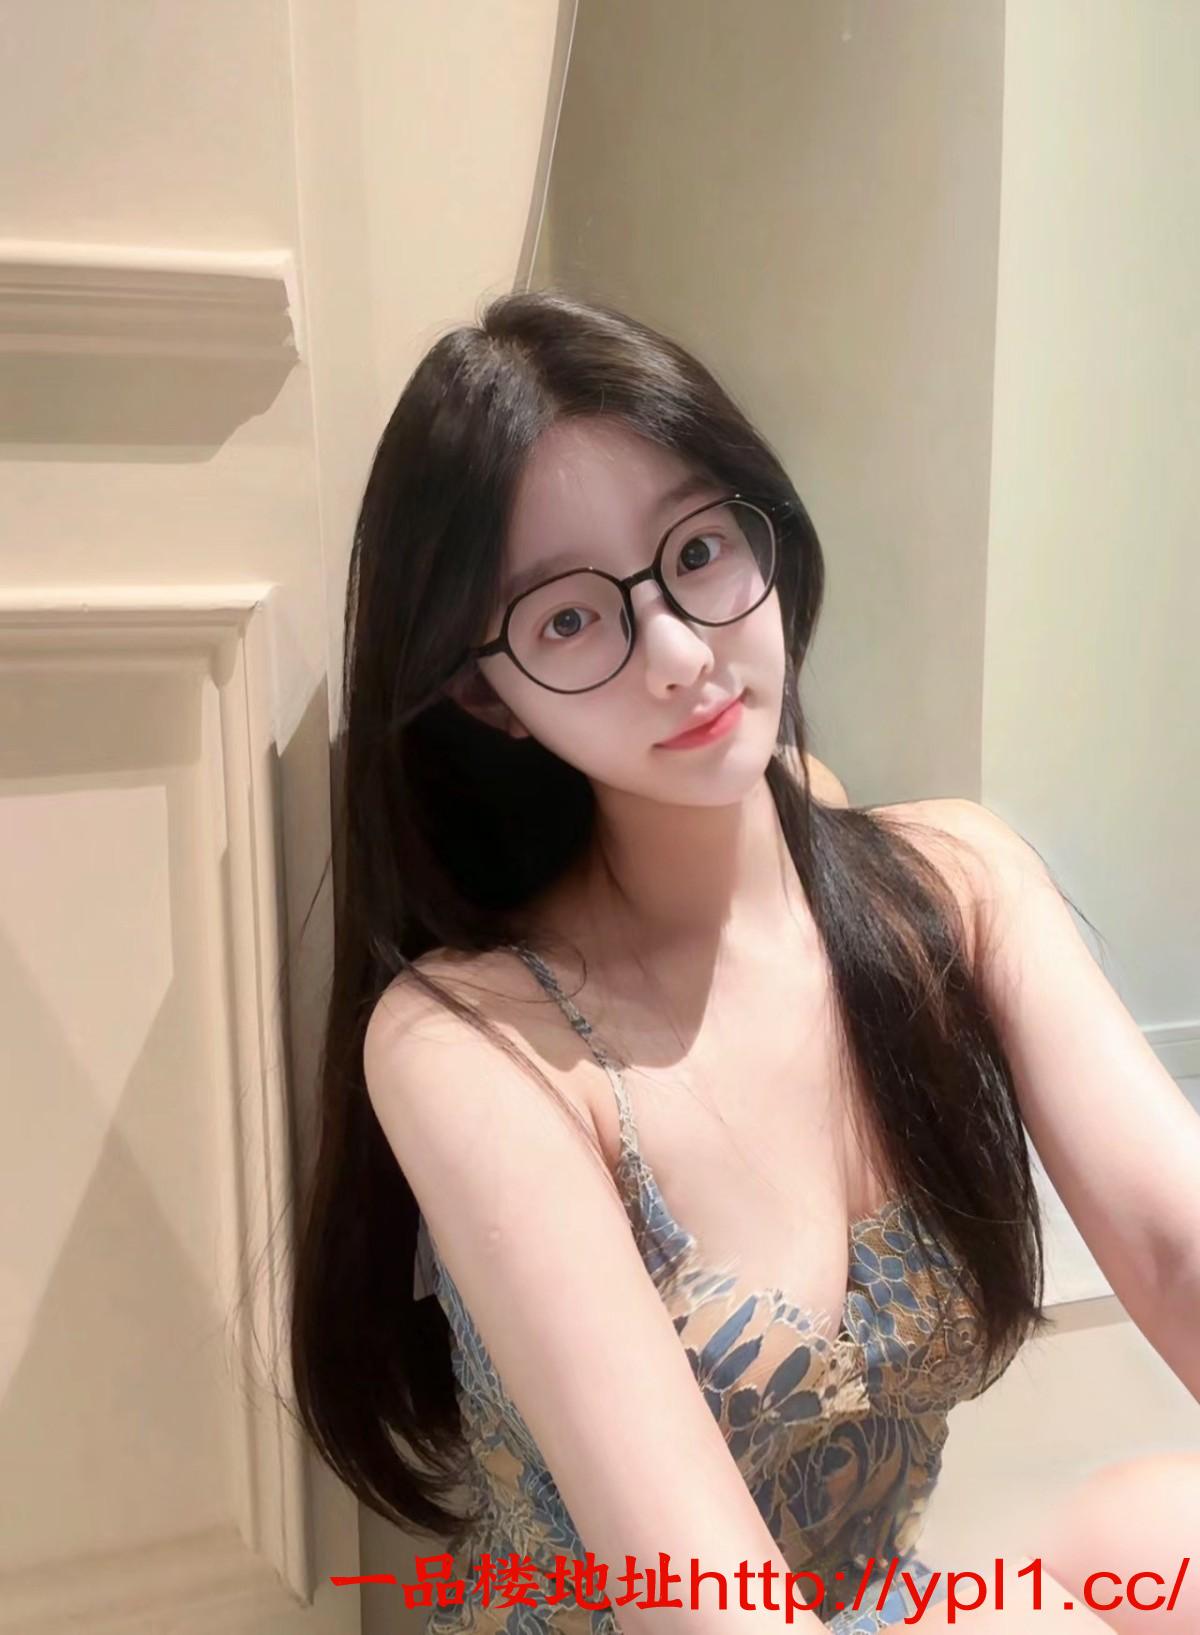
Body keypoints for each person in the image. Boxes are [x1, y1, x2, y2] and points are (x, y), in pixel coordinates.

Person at [289, 289, 1200, 1634]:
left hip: (864, 1611)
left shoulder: (955, 888)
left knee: (1162, 1524)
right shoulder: (473, 1044)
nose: (678, 654)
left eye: (700, 550)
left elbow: (1179, 1252)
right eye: (568, 621)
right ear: (489, 695)